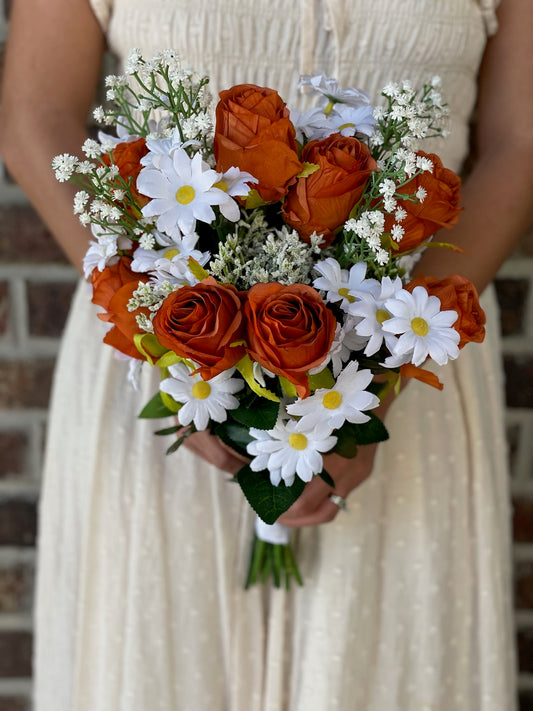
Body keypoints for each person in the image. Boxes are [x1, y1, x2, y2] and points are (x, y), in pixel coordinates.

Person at [1, 0, 532, 709]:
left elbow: (520, 139)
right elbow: (33, 112)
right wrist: (174, 347)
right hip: (166, 374)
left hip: (409, 356)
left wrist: (377, 378)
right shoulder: (172, 356)